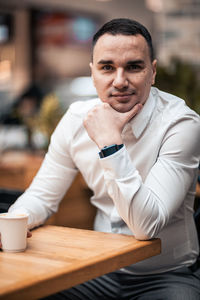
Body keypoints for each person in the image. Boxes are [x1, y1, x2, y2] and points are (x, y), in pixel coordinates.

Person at [1, 18, 200, 299]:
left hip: (167, 275)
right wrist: (11, 222)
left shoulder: (181, 124)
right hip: (96, 269)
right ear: (93, 72)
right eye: (107, 67)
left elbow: (146, 227)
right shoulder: (75, 120)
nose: (120, 81)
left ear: (152, 72)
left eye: (134, 66)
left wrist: (110, 143)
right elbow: (42, 197)